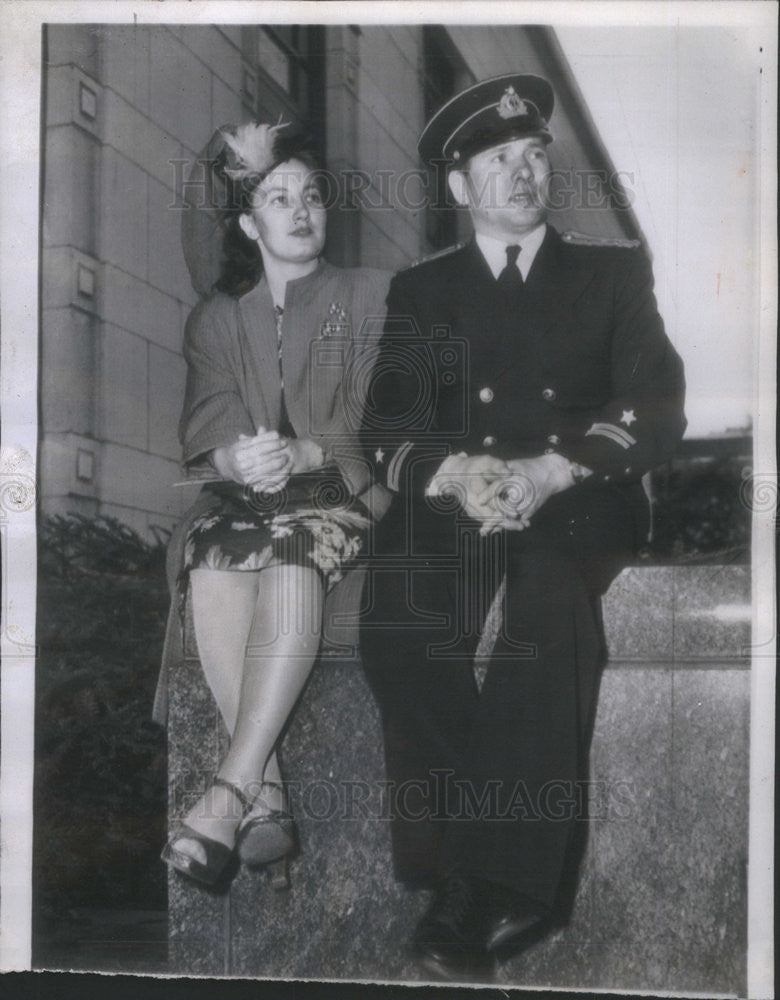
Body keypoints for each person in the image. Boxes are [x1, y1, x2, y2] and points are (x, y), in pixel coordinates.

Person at [359, 74, 686, 980]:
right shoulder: (424, 291)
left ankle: (490, 889)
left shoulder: (613, 269)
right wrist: (451, 472)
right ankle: (466, 863)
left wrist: (552, 469)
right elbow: (390, 428)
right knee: (401, 612)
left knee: (547, 604)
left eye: (535, 154)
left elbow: (656, 404)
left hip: (579, 493)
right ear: (460, 188)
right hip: (466, 499)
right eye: (498, 160)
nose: (524, 172)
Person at [157, 121, 390, 890]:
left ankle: (230, 792)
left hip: (338, 486)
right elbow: (208, 420)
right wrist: (233, 455)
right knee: (215, 550)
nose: (301, 211)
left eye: (313, 196)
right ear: (249, 224)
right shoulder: (219, 317)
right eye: (278, 198)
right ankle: (268, 801)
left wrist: (311, 452)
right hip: (248, 499)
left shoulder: (371, 294)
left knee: (292, 546)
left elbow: (382, 414)